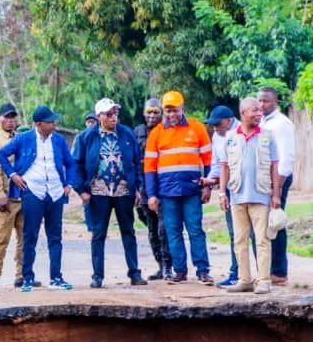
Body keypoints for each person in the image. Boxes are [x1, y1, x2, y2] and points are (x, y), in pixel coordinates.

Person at [0, 105, 76, 292]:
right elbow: (1, 154)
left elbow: (70, 164)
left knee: (55, 236)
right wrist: (13, 175)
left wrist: (69, 184)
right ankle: (27, 278)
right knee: (30, 236)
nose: (54, 125)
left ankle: (56, 277)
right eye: (50, 122)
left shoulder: (58, 140)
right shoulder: (24, 139)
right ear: (39, 124)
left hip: (55, 192)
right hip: (33, 191)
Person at [73, 97, 145, 288]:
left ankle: (135, 274)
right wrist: (81, 190)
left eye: (115, 113)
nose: (114, 117)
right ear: (99, 116)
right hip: (98, 192)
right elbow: (75, 165)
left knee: (128, 232)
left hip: (123, 191)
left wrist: (137, 187)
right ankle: (97, 276)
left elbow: (136, 163)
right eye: (109, 113)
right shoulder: (86, 137)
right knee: (98, 234)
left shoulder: (126, 134)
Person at [144, 90, 214, 284]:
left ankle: (202, 271)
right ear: (163, 112)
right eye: (168, 111)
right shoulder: (156, 134)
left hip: (192, 190)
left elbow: (209, 161)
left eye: (175, 110)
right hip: (167, 193)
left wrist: (208, 186)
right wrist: (152, 195)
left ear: (182, 108)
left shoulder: (197, 128)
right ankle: (180, 272)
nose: (172, 114)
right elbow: (149, 168)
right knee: (173, 232)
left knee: (195, 230)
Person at [218, 98, 281, 294]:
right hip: (237, 196)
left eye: (259, 110)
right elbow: (224, 167)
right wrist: (222, 193)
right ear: (243, 113)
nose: (258, 113)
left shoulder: (267, 136)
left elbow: (274, 166)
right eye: (254, 110)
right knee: (239, 240)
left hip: (261, 196)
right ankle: (245, 280)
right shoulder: (230, 137)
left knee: (262, 240)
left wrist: (276, 194)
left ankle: (263, 280)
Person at [0, 103, 29, 291]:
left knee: (25, 238)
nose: (10, 121)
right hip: (7, 197)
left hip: (24, 195)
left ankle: (21, 275)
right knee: (2, 238)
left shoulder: (20, 137)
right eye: (6, 118)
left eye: (13, 118)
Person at [259, 87, 294, 286]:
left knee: (276, 223)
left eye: (266, 101)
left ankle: (279, 272)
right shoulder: (263, 122)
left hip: (279, 179)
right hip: (266, 179)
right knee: (266, 224)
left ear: (275, 102)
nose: (262, 105)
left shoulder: (281, 124)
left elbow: (286, 159)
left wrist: (277, 190)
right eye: (260, 101)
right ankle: (269, 270)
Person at [133, 98, 172, 280]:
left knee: (164, 228)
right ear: (144, 113)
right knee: (151, 227)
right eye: (149, 112)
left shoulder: (168, 130)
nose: (152, 115)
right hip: (144, 186)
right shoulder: (137, 132)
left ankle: (168, 266)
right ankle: (160, 265)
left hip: (163, 185)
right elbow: (132, 160)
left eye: (156, 112)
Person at [205, 106, 242, 287]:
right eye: (212, 125)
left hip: (243, 188)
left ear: (229, 120)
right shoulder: (217, 136)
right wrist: (210, 180)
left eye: (217, 124)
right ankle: (235, 273)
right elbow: (217, 164)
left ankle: (261, 275)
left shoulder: (241, 132)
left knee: (252, 235)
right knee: (233, 233)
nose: (215, 128)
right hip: (227, 189)